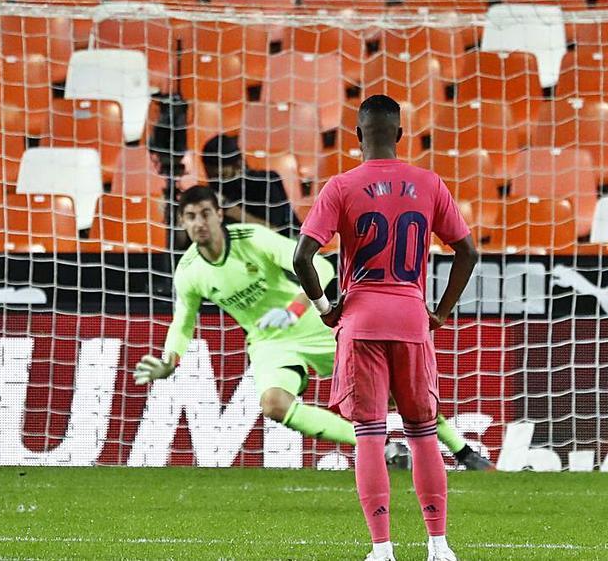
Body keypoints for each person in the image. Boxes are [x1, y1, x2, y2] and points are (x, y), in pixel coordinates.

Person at [132, 186, 488, 471]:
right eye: (191, 217)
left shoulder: (252, 239)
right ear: (182, 222)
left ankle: (463, 452)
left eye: (205, 213)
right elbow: (183, 323)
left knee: (396, 392)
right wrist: (169, 360)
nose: (199, 223)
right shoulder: (189, 271)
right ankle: (377, 445)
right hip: (268, 342)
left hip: (309, 323)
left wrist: (295, 307)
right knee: (273, 404)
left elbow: (322, 266)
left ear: (219, 214)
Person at [293, 95, 479, 561]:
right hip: (412, 319)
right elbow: (467, 252)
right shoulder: (429, 183)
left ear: (357, 136)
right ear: (399, 135)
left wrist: (323, 308)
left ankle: (382, 549)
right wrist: (441, 311)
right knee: (422, 433)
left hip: (361, 319)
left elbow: (302, 257)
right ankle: (438, 545)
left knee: (371, 435)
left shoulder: (340, 186)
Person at [201, 133, 299, 237]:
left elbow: (273, 231)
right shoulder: (212, 192)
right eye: (209, 176)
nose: (215, 181)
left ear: (238, 165)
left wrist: (229, 209)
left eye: (221, 175)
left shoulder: (264, 183)